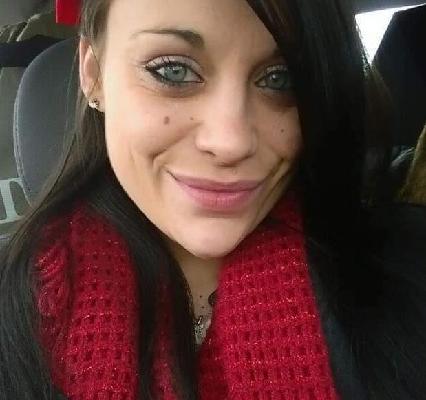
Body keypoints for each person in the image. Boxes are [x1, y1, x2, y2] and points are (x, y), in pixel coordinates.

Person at [1, 0, 426, 399]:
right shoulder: (13, 302)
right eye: (172, 71)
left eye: (281, 79)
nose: (230, 142)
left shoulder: (401, 278)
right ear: (93, 74)